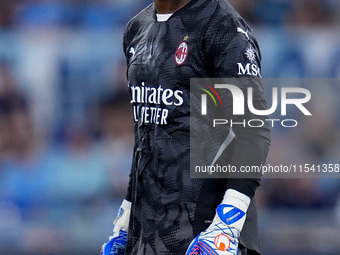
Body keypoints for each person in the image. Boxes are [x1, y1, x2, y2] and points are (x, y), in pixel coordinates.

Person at [100, 0, 270, 254]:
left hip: (207, 237)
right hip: (147, 237)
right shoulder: (136, 29)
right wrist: (126, 219)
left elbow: (253, 128)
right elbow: (148, 138)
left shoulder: (223, 27)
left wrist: (227, 225)